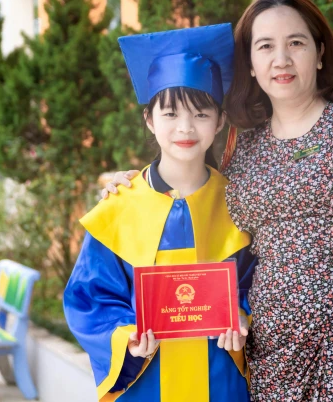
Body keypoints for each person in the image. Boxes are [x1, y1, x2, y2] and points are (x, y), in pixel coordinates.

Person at [104, 0, 333, 402]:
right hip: (269, 353)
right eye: (265, 46)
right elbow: (196, 193)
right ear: (250, 62)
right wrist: (133, 184)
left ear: (320, 53)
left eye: (296, 43)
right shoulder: (244, 150)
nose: (280, 59)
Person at [64, 23, 256, 402]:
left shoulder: (240, 204)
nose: (185, 128)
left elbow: (260, 285)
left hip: (220, 383)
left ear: (219, 122)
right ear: (149, 121)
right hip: (145, 385)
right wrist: (126, 337)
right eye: (170, 114)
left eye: (201, 114)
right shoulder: (119, 207)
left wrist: (244, 318)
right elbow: (90, 301)